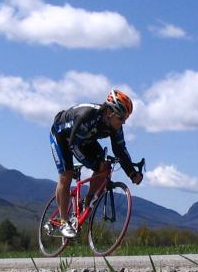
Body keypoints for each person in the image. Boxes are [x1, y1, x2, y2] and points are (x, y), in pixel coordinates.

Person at [48, 89, 144, 238]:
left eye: (126, 118)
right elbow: (73, 145)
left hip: (85, 139)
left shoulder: (115, 126)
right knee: (66, 175)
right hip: (62, 136)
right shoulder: (88, 116)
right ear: (109, 112)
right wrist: (87, 164)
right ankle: (63, 222)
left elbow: (120, 150)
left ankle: (87, 201)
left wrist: (132, 173)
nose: (123, 122)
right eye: (121, 117)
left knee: (104, 166)